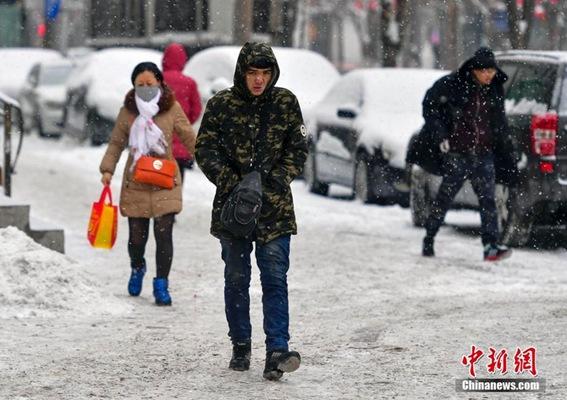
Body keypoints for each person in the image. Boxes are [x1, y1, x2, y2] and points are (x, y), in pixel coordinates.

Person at [195, 42, 308, 380]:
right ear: (241, 73)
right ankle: (241, 343)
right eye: (252, 73)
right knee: (236, 278)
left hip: (275, 209)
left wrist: (276, 178)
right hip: (234, 209)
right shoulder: (221, 106)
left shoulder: (285, 103)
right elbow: (205, 148)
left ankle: (277, 350)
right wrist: (233, 181)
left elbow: (299, 148)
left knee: (275, 278)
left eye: (265, 73)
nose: (259, 80)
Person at [99, 62, 196, 305]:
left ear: (160, 83)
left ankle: (161, 283)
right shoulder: (128, 111)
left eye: (149, 84)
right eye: (140, 85)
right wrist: (107, 169)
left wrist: (211, 161)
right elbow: (115, 143)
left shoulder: (171, 108)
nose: (145, 89)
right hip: (137, 182)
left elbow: (188, 136)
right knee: (136, 238)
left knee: (164, 234)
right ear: (133, 86)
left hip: (165, 181)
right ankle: (137, 266)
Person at [420, 47, 518, 261]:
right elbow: (430, 105)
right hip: (458, 153)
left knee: (488, 200)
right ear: (474, 70)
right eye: (484, 71)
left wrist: (505, 146)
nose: (488, 76)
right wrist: (440, 135)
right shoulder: (452, 84)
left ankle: (491, 246)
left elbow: (499, 121)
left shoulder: (495, 89)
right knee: (445, 197)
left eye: (491, 71)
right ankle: (429, 236)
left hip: (484, 153)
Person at [162, 43, 202, 183]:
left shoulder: (157, 80)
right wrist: (184, 123)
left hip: (159, 143)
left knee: (157, 182)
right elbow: (196, 110)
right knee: (177, 183)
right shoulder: (189, 83)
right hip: (181, 145)